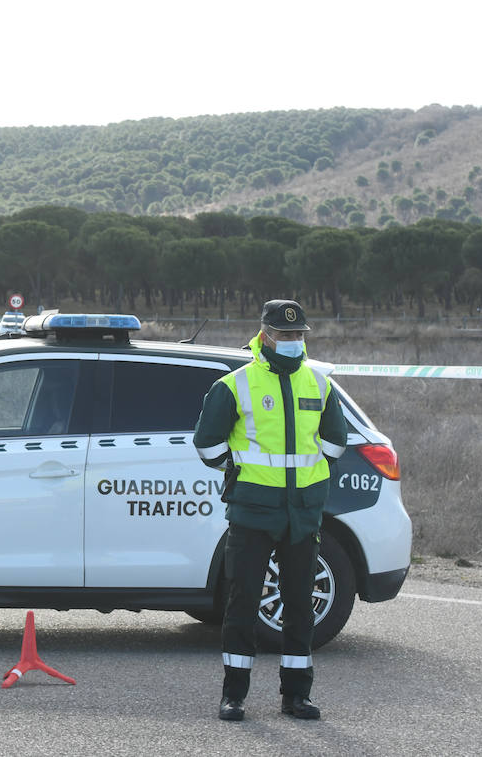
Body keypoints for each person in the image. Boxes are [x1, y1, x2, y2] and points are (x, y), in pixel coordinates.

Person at [192, 299, 347, 722]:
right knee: (242, 603)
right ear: (265, 335)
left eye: (299, 335)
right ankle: (234, 696)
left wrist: (309, 479)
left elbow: (335, 443)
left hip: (302, 514)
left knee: (300, 605)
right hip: (252, 512)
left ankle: (296, 697)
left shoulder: (320, 384)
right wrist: (240, 470)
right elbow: (207, 445)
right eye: (284, 334)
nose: (293, 342)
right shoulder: (235, 384)